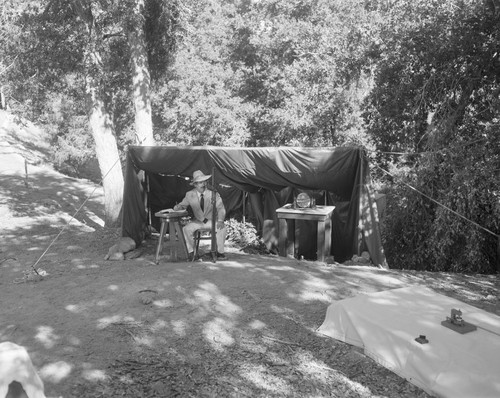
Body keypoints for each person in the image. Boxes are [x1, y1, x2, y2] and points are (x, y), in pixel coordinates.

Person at [174, 170, 227, 260]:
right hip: (198, 221)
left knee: (222, 227)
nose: (203, 184)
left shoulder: (213, 194)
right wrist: (178, 207)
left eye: (204, 181)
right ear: (195, 184)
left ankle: (219, 253)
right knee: (186, 229)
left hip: (211, 221)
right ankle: (192, 253)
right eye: (200, 182)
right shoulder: (189, 194)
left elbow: (221, 208)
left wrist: (221, 220)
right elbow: (183, 205)